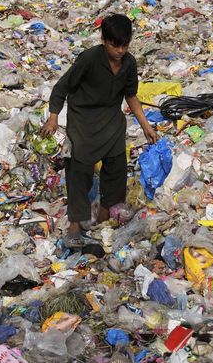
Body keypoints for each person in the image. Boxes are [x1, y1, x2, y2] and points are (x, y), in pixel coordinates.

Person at [41, 14, 158, 248]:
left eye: (125, 45)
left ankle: (103, 223)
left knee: (115, 173)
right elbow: (61, 88)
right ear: (104, 40)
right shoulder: (89, 59)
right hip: (83, 123)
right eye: (115, 45)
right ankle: (74, 228)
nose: (121, 50)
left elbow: (131, 96)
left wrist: (146, 126)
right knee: (79, 173)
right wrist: (53, 119)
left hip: (112, 123)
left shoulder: (129, 63)